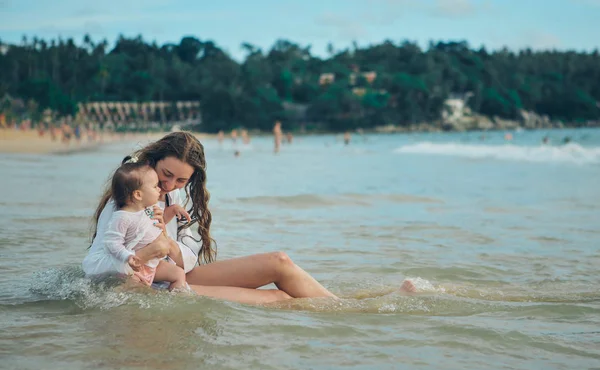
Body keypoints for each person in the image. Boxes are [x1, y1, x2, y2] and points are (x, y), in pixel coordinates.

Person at [84, 131, 414, 305]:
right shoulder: (130, 194)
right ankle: (358, 311)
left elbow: (186, 259)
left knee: (279, 261)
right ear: (154, 161)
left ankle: (350, 305)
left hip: (176, 273)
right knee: (279, 298)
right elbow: (95, 262)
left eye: (181, 180)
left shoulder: (181, 197)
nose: (170, 185)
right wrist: (141, 256)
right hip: (149, 285)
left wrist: (166, 243)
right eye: (166, 175)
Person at [103, 161, 187, 290]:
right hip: (135, 269)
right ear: (138, 194)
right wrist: (128, 257)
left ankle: (178, 297)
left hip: (153, 264)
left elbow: (157, 223)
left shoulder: (148, 208)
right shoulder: (123, 217)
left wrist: (174, 209)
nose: (159, 189)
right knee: (138, 291)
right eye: (154, 186)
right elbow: (112, 243)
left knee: (178, 273)